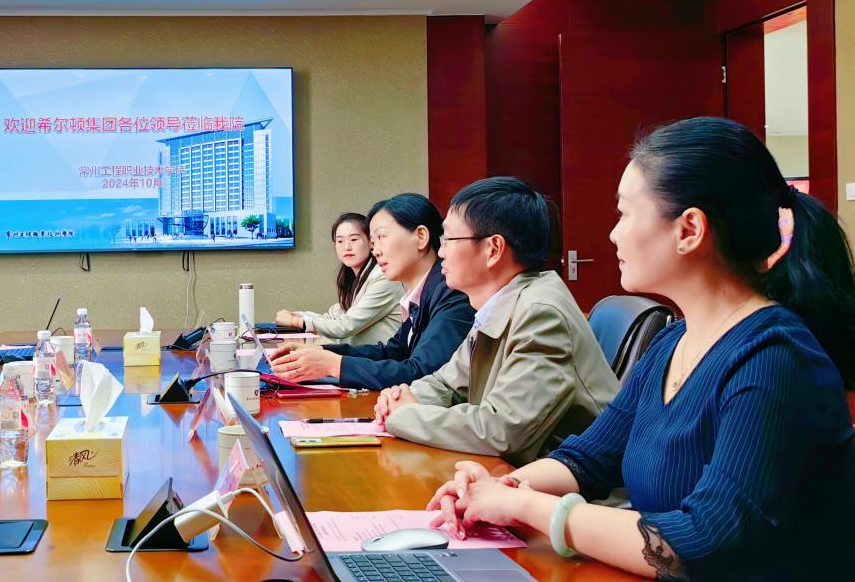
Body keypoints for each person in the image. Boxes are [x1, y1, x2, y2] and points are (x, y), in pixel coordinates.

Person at [427, 118, 855, 579]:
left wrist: (525, 506)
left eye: (625, 213)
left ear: (689, 229)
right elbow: (588, 459)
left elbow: (700, 544)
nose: (614, 234)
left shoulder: (774, 357)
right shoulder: (673, 341)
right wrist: (500, 486)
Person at [373, 176, 618, 463]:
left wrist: (406, 415)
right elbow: (447, 383)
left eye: (448, 239)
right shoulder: (497, 303)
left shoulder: (540, 314)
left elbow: (502, 431)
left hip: (570, 481)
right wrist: (402, 398)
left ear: (493, 249)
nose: (440, 252)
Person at [270, 193, 473, 390]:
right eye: (373, 243)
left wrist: (333, 364)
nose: (375, 251)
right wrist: (320, 352)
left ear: (421, 236)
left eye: (382, 237)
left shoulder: (451, 294)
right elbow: (393, 352)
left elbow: (420, 373)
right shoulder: (424, 292)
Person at [274, 212, 403, 345]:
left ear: (371, 242)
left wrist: (295, 321)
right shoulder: (355, 278)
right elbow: (332, 318)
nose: (347, 247)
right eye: (340, 241)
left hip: (380, 357)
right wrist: (296, 315)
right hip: (360, 355)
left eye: (354, 239)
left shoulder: (383, 277)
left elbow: (345, 325)